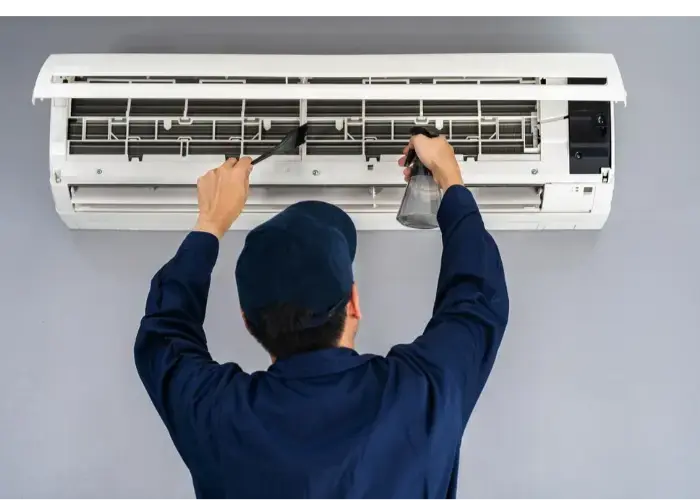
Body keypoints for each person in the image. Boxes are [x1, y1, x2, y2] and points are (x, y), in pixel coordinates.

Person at [133, 134, 509, 500]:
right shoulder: (421, 392)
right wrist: (448, 178)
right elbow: (477, 299)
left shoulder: (217, 417)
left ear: (247, 321)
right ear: (354, 304)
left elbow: (163, 334)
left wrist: (210, 224)